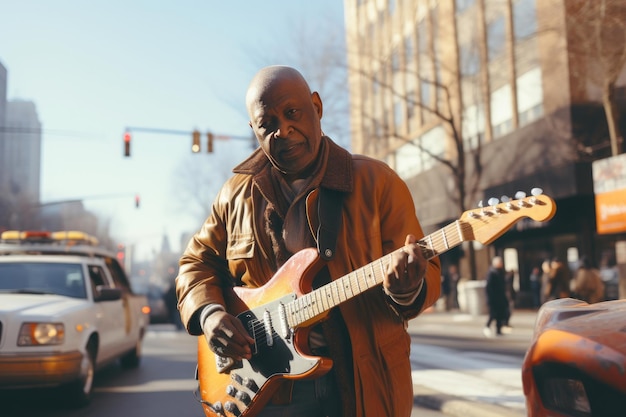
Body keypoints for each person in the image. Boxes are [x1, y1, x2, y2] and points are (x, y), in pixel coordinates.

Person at [175, 66, 441, 417]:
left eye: (292, 113)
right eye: (266, 123)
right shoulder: (234, 196)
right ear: (253, 130)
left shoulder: (378, 183)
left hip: (362, 386)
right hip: (265, 392)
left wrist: (406, 289)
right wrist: (209, 314)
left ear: (316, 107)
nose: (282, 130)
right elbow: (195, 263)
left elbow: (428, 277)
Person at [484, 256, 509, 337]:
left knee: (499, 314)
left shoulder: (500, 272)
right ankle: (487, 326)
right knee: (493, 314)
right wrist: (490, 298)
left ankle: (498, 330)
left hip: (500, 297)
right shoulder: (491, 273)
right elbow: (489, 287)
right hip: (493, 298)